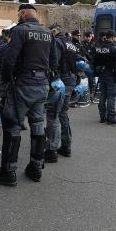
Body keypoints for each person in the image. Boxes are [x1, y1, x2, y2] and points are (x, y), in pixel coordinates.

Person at [0, 4, 55, 186]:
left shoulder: (20, 31)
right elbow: (53, 60)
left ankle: (8, 171)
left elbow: (10, 59)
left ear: (24, 14)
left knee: (12, 125)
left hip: (22, 85)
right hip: (42, 84)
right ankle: (36, 167)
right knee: (37, 124)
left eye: (19, 14)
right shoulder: (47, 32)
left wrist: (5, 82)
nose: (18, 17)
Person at [44, 24, 79, 162]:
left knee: (53, 114)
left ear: (54, 31)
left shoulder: (57, 42)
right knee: (63, 113)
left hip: (61, 80)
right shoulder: (70, 43)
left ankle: (51, 150)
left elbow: (54, 62)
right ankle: (66, 146)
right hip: (70, 80)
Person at [93, 30, 116, 125]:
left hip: (102, 74)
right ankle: (111, 117)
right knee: (111, 97)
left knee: (102, 96)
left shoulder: (98, 48)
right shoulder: (115, 48)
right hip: (112, 75)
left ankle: (102, 116)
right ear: (113, 37)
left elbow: (94, 62)